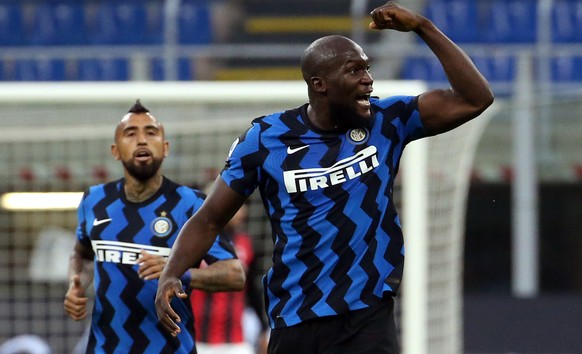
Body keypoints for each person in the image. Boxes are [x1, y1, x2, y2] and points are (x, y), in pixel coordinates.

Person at [155, 2, 494, 353]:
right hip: (297, 318)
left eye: (367, 68)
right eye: (354, 71)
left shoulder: (387, 121)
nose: (368, 79)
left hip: (367, 317)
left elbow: (475, 98)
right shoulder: (266, 138)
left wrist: (423, 26)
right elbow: (209, 219)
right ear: (320, 84)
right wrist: (171, 272)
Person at [63, 100, 246, 353]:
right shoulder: (94, 200)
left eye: (151, 132)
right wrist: (76, 284)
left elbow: (234, 274)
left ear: (165, 147)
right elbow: (81, 255)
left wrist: (176, 272)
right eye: (131, 134)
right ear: (115, 151)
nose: (141, 140)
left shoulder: (190, 204)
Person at [190, 203, 267, 354]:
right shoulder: (193, 243)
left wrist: (264, 329)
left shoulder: (247, 244)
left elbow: (252, 290)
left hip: (235, 342)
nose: (240, 211)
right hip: (198, 340)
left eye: (241, 205)